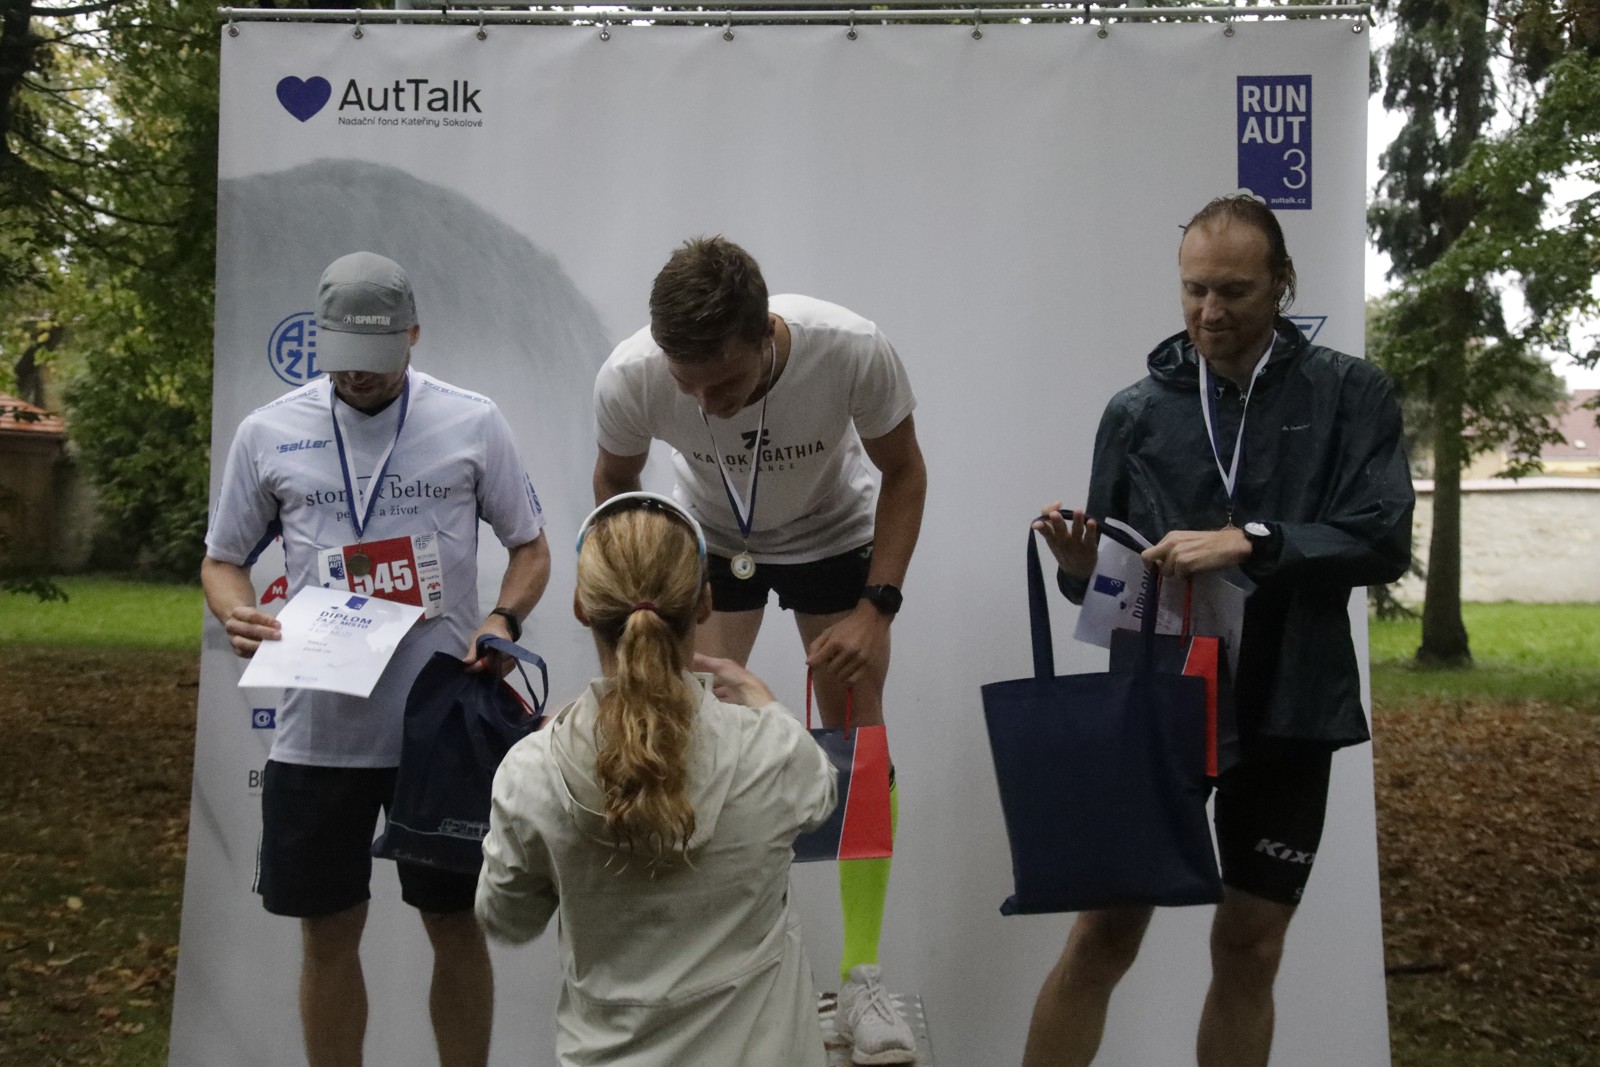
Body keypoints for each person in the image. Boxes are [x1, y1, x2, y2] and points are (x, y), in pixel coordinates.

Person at [1024, 195, 1414, 1067]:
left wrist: (1254, 540)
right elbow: (1106, 580)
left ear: (1282, 283)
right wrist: (1080, 564)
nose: (1210, 312)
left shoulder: (1350, 394)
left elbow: (1384, 537)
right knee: (1103, 932)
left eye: (1234, 291)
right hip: (1160, 700)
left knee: (1251, 946)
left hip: (1290, 702)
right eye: (1194, 289)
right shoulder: (1136, 411)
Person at [200, 251, 551, 1067]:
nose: (357, 375)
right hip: (319, 729)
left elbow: (531, 547)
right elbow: (222, 560)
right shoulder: (268, 431)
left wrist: (502, 617)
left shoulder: (471, 421)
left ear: (413, 336)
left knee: (455, 925)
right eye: (342, 357)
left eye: (376, 356)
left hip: (440, 727)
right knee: (328, 933)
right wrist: (234, 610)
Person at [590, 236, 928, 1062]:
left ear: (765, 333)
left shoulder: (850, 349)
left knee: (858, 742)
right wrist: (643, 595)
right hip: (709, 537)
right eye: (689, 386)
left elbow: (905, 472)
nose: (707, 406)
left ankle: (860, 975)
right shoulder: (631, 374)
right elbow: (616, 484)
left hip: (830, 533)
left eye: (727, 383)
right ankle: (731, 967)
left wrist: (877, 609)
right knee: (693, 735)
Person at [475, 492, 837, 1065]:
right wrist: (766, 706)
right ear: (704, 604)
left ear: (581, 607)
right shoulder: (772, 750)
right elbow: (820, 795)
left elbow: (507, 919)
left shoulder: (532, 772)